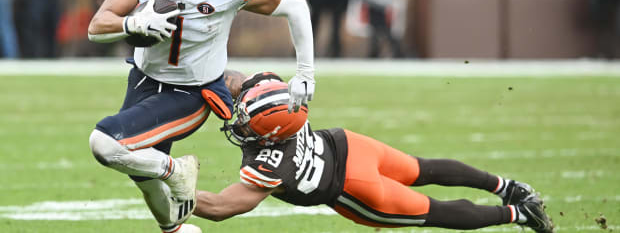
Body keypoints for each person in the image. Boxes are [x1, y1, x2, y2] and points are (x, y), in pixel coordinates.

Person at [86, 0, 315, 233]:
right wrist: (130, 25)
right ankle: (175, 229)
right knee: (140, 172)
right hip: (145, 77)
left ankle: (176, 171)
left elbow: (295, 6)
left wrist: (306, 73)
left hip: (193, 91)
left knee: (105, 144)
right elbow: (96, 27)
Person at [193, 71, 555, 233]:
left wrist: (167, 184)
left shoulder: (271, 162)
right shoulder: (278, 99)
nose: (236, 122)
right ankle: (508, 187)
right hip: (348, 145)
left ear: (268, 134)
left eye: (244, 119)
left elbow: (222, 208)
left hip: (353, 190)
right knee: (420, 168)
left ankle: (519, 215)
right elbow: (235, 80)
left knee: (435, 212)